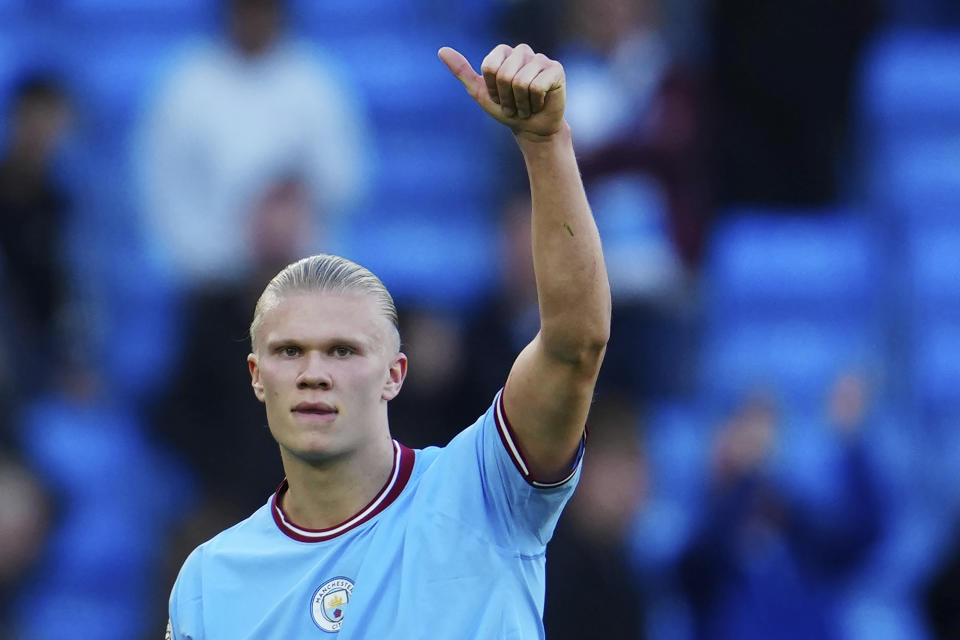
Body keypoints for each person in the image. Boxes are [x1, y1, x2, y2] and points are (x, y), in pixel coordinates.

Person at [166, 42, 611, 638]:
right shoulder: (209, 580)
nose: (314, 372)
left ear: (395, 374)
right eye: (289, 351)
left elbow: (574, 346)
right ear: (255, 376)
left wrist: (544, 144)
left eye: (343, 350)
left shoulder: (482, 489)